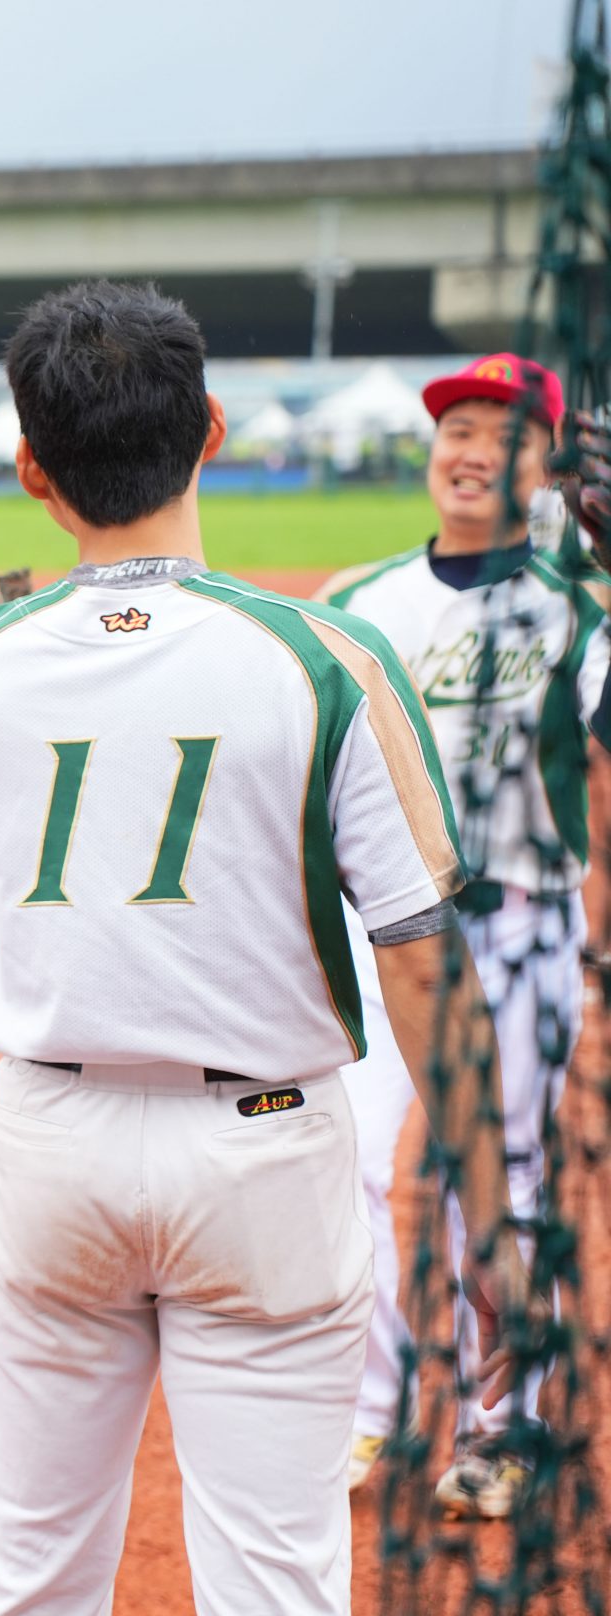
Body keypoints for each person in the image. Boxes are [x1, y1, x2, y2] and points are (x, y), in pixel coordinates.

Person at [0, 283, 516, 1616]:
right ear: (211, 430)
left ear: (33, 470)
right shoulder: (324, 656)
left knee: (29, 1574)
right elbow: (416, 952)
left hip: (55, 1143)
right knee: (276, 1597)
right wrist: (487, 1210)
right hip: (263, 1144)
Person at [317, 351, 610, 1515]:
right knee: (337, 1152)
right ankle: (369, 1412)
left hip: (518, 929)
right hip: (381, 938)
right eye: (456, 427)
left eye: (503, 431)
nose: (472, 449)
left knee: (494, 1173)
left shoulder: (575, 606)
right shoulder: (356, 601)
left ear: (545, 465)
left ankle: (504, 1424)